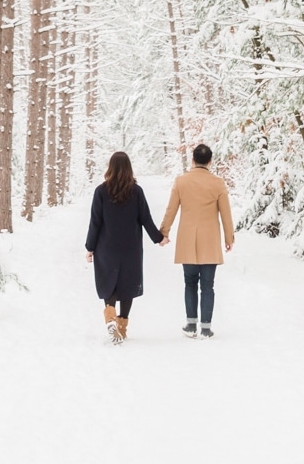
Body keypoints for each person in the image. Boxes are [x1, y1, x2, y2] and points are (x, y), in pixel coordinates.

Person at [84, 151, 165, 344]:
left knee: (109, 281)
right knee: (127, 285)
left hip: (107, 246)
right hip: (131, 247)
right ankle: (121, 327)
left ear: (110, 168)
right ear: (129, 168)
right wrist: (159, 238)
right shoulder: (136, 191)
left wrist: (90, 247)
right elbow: (145, 218)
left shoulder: (101, 191)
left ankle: (110, 316)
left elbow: (95, 222)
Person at [158, 143, 233, 338]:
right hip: (210, 240)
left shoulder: (181, 182)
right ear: (210, 161)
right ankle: (206, 328)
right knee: (208, 285)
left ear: (193, 160)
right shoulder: (218, 183)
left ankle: (191, 325)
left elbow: (171, 210)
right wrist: (229, 237)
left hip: (187, 239)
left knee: (190, 282)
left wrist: (163, 232)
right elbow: (226, 214)